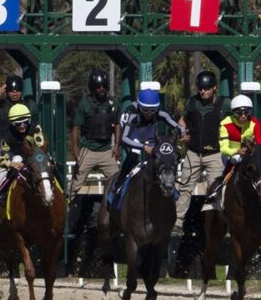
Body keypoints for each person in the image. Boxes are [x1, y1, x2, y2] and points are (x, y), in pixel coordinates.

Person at [109, 88, 186, 205]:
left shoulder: (160, 112)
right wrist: (143, 147)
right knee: (134, 154)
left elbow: (176, 126)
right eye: (146, 110)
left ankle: (171, 188)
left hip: (152, 143)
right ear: (139, 106)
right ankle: (118, 187)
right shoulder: (132, 113)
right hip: (135, 142)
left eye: (153, 110)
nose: (149, 114)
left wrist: (182, 132)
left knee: (165, 156)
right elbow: (124, 138)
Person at [176, 69, 229, 235]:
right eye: (200, 88)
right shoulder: (192, 102)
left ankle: (223, 222)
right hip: (193, 152)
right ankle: (177, 222)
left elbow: (237, 121)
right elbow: (182, 121)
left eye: (206, 88)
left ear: (214, 88)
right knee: (185, 187)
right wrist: (182, 132)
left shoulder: (225, 104)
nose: (203, 91)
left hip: (214, 154)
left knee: (218, 190)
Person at [68, 68, 121, 198]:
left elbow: (117, 125)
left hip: (107, 150)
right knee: (75, 184)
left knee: (118, 182)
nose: (101, 89)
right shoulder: (84, 104)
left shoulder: (113, 103)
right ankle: (67, 206)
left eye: (104, 86)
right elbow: (76, 127)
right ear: (92, 88)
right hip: (88, 149)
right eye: (98, 87)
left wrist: (117, 146)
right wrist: (75, 146)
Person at [0, 103, 46, 206]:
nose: (22, 126)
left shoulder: (35, 127)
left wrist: (30, 160)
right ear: (12, 123)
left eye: (25, 122)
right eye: (18, 124)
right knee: (16, 159)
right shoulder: (6, 135)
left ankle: (63, 190)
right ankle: (1, 195)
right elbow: (3, 158)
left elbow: (40, 145)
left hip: (32, 156)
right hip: (12, 158)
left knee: (50, 161)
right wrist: (11, 164)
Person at [0, 74, 37, 160]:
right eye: (11, 91)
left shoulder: (30, 105)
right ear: (6, 91)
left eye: (18, 90)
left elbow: (36, 128)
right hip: (3, 153)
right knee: (1, 173)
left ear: (22, 91)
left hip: (26, 151)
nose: (15, 93)